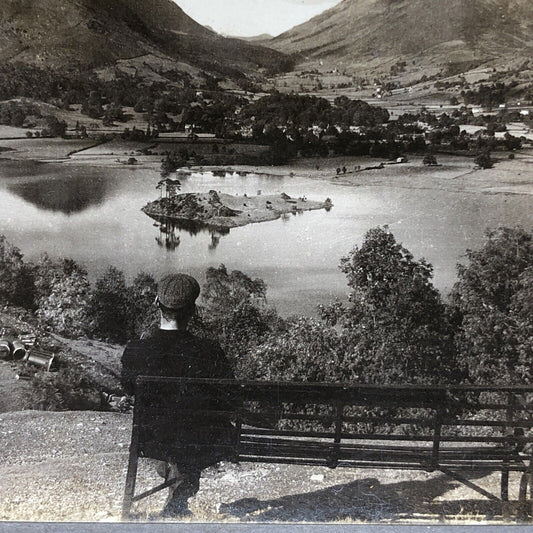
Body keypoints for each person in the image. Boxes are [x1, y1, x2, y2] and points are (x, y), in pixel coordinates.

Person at [121, 273, 235, 517]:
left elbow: (129, 389)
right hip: (198, 440)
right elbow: (230, 398)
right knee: (190, 440)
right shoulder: (209, 351)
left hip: (152, 437)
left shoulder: (136, 350)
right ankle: (178, 499)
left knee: (176, 443)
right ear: (192, 310)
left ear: (156, 303)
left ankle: (177, 492)